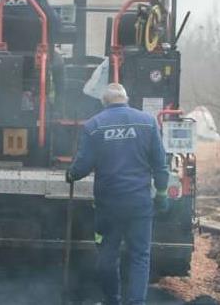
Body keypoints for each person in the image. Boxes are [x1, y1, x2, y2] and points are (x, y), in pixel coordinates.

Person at [66, 83, 169, 305]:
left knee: (107, 256)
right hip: (139, 204)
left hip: (108, 207)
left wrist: (71, 174)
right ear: (126, 99)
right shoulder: (148, 122)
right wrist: (161, 191)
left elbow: (83, 165)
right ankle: (136, 302)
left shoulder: (94, 125)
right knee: (140, 256)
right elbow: (161, 163)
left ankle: (111, 300)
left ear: (104, 102)